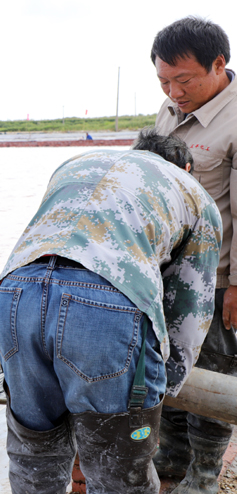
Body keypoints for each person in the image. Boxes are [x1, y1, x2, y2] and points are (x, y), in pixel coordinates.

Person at [0, 130, 221, 493]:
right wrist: (160, 389)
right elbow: (190, 309)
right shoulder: (192, 191)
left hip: (16, 291)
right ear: (187, 168)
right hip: (105, 300)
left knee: (34, 454)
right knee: (118, 471)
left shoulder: (78, 162)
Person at [151, 16, 237, 493]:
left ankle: (205, 472)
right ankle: (171, 455)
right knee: (166, 366)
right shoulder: (169, 109)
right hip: (166, 272)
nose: (174, 92)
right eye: (164, 81)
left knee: (214, 372)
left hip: (217, 278)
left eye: (183, 80)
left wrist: (236, 285)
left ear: (218, 64)